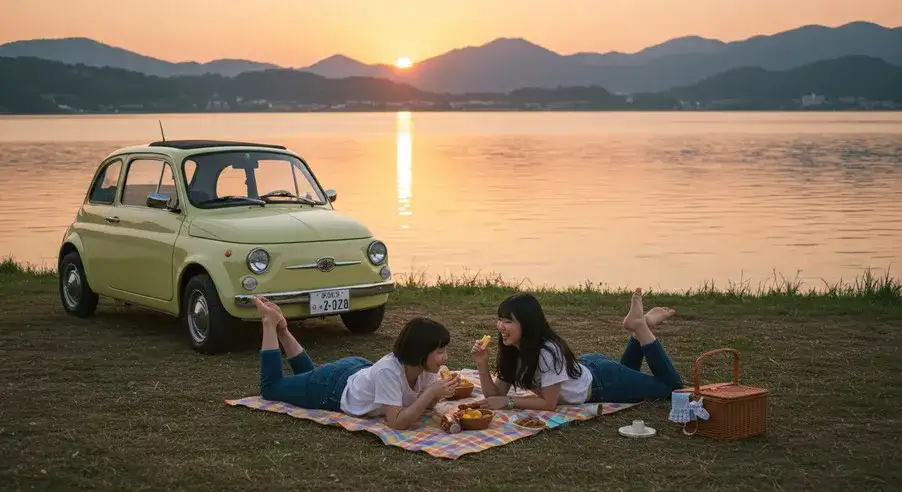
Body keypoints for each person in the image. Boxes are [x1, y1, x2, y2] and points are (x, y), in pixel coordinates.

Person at [253, 296, 461, 429]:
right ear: (420, 352)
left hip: (356, 370)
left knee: (310, 377)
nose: (445, 357)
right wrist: (431, 393)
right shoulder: (390, 371)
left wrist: (438, 393)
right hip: (332, 389)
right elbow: (397, 422)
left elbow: (424, 405)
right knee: (271, 389)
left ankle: (283, 330)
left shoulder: (427, 368)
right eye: (440, 351)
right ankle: (269, 324)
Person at [470, 288, 684, 411]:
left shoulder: (547, 351)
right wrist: (482, 364)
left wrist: (508, 402)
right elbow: (493, 397)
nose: (500, 327)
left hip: (603, 383)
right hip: (591, 369)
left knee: (673, 388)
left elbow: (548, 403)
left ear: (527, 324)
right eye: (500, 320)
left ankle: (641, 326)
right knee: (631, 374)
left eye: (507, 321)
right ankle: (641, 324)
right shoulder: (512, 348)